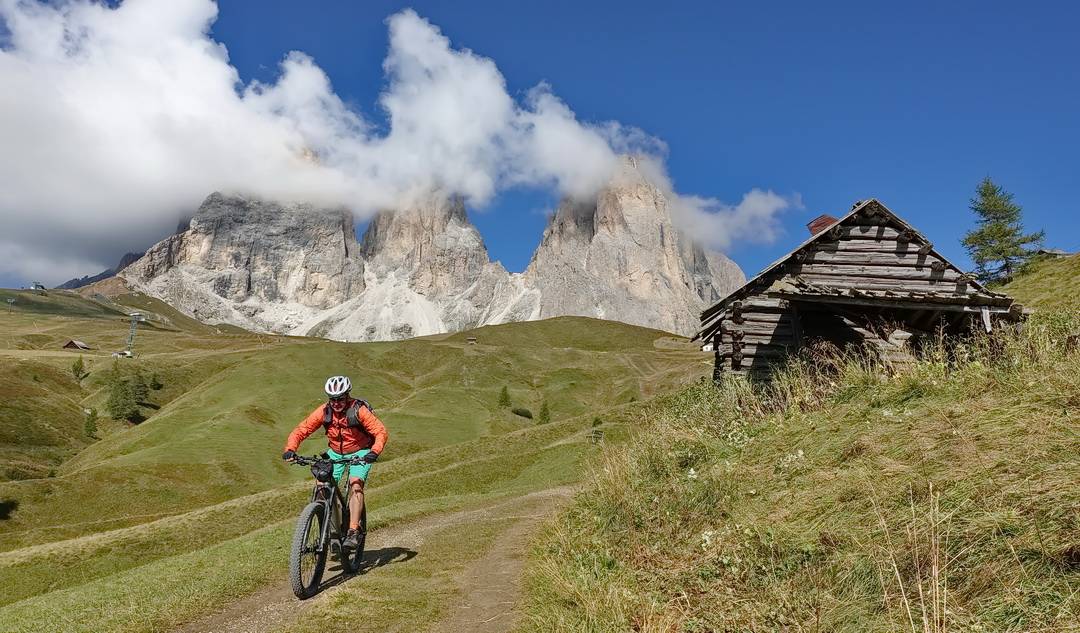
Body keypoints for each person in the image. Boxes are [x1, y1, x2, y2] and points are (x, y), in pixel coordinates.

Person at [283, 375, 388, 549]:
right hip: (335, 453)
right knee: (321, 488)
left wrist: (374, 452)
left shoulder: (358, 410)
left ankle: (353, 531)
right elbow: (302, 430)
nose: (336, 403)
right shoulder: (325, 411)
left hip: (361, 452)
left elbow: (380, 431)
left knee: (356, 485)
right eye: (332, 399)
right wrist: (290, 449)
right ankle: (330, 530)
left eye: (340, 399)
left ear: (347, 395)